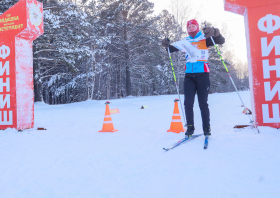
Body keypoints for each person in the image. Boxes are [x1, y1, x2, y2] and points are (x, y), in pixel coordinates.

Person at [162, 19, 225, 137]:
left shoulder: (204, 38)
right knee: (188, 103)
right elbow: (170, 49)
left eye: (192, 26)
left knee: (203, 103)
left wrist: (215, 31)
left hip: (203, 74)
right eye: (188, 27)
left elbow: (221, 40)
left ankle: (207, 128)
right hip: (189, 76)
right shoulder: (185, 41)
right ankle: (190, 128)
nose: (190, 29)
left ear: (197, 27)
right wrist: (166, 44)